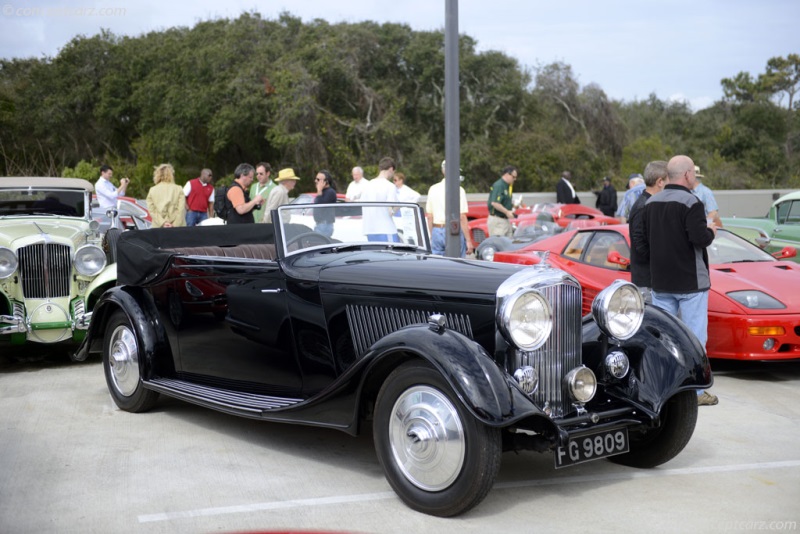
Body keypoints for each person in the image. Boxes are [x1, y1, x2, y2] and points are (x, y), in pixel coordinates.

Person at [642, 155, 718, 406]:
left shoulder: (652, 202)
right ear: (687, 175)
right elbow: (699, 239)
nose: (694, 177)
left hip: (662, 282)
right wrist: (711, 231)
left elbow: (646, 241)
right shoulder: (691, 202)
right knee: (695, 338)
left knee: (663, 336)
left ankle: (665, 388)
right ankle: (695, 393)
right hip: (690, 283)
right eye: (693, 173)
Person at [628, 161, 668, 302]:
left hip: (654, 282)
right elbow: (640, 245)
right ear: (660, 182)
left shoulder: (651, 203)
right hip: (647, 283)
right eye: (669, 180)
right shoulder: (643, 206)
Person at [425, 160, 474, 257]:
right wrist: (468, 240)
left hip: (437, 230)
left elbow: (430, 216)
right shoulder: (459, 190)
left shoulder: (433, 189)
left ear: (443, 171)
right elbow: (462, 217)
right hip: (453, 230)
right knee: (457, 262)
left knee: (437, 262)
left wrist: (431, 235)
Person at [361, 157, 400, 242]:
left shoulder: (367, 185)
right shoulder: (390, 186)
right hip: (386, 229)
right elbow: (391, 210)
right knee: (393, 255)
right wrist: (396, 208)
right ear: (391, 169)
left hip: (370, 230)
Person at [146, 163, 186, 228]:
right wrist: (175, 224)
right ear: (171, 175)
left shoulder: (152, 190)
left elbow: (152, 210)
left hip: (159, 227)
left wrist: (163, 223)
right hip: (178, 228)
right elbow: (181, 210)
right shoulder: (179, 189)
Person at [488, 166, 518, 237]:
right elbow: (495, 203)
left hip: (505, 220)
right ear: (507, 174)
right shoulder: (499, 185)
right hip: (498, 220)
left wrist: (513, 206)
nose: (515, 179)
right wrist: (507, 212)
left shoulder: (507, 186)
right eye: (513, 177)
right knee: (499, 243)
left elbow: (504, 202)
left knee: (509, 243)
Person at [313, 170, 337, 237]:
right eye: (316, 179)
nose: (315, 181)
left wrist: (319, 191)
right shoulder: (323, 192)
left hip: (325, 225)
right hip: (320, 224)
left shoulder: (330, 192)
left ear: (326, 181)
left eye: (318, 179)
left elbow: (320, 205)